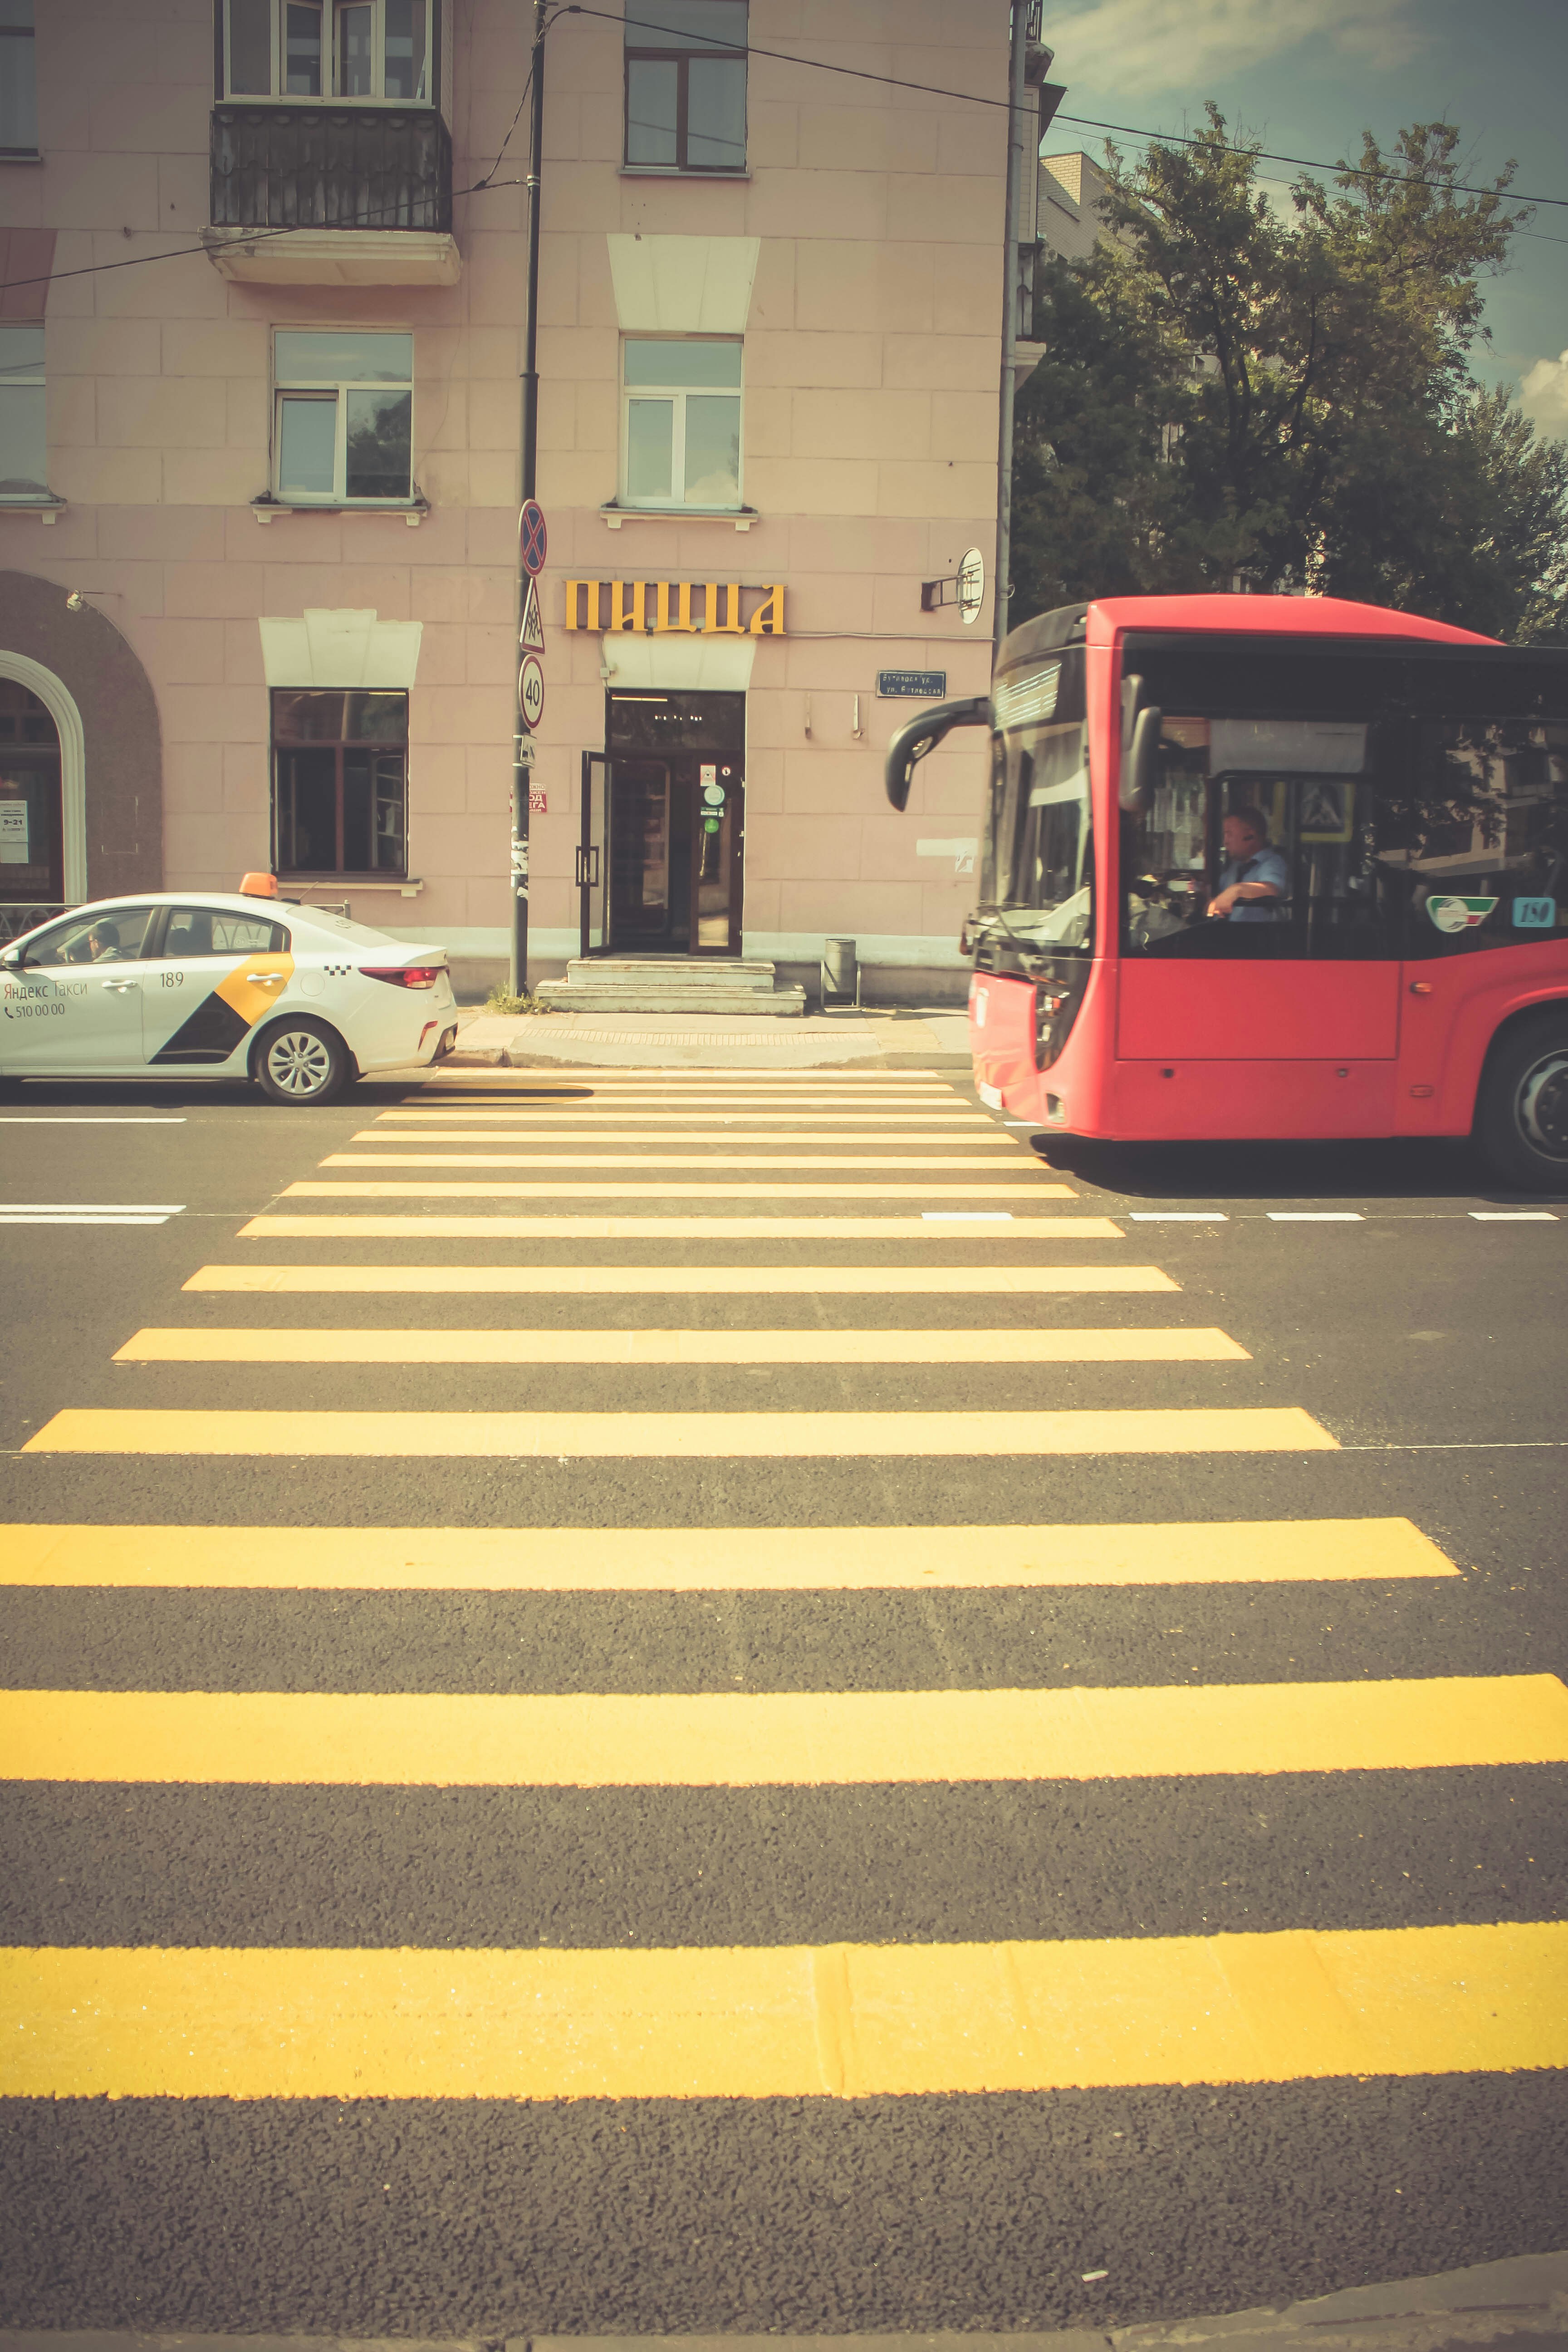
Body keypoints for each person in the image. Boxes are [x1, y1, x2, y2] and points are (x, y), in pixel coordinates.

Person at [1207, 808, 1289, 922]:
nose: (1225, 842)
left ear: (1250, 836)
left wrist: (1238, 890)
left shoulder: (1272, 863)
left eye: (1229, 834)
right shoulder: (1236, 866)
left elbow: (1272, 889)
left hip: (1254, 937)